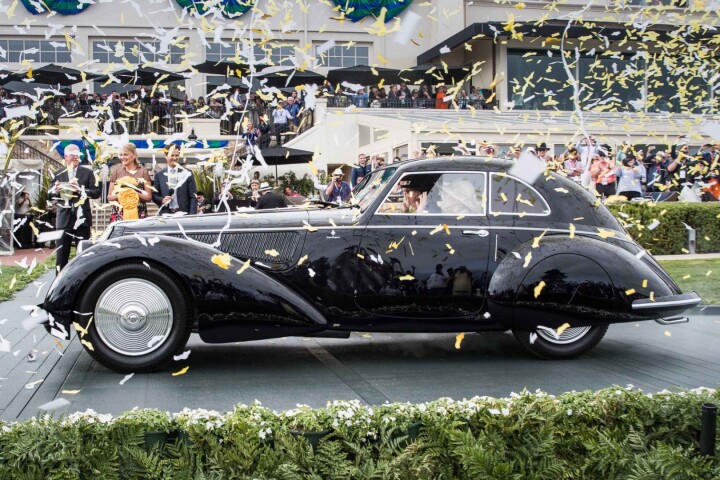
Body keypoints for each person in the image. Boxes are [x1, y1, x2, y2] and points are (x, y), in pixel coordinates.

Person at [50, 144, 100, 271]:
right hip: (64, 219)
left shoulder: (88, 173)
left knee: (84, 255)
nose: (75, 157)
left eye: (77, 155)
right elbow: (49, 195)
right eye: (72, 154)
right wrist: (55, 190)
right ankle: (59, 286)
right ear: (65, 157)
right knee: (61, 256)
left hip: (82, 219)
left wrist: (81, 190)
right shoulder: (57, 174)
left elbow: (96, 192)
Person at [107, 143, 153, 222]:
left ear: (134, 155)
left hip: (138, 213)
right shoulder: (116, 173)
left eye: (125, 154)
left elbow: (148, 197)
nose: (122, 157)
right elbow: (110, 197)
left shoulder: (143, 172)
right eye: (121, 155)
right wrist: (123, 194)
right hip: (119, 214)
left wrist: (133, 193)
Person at [152, 146, 198, 215]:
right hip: (166, 214)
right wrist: (162, 200)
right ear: (165, 156)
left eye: (177, 155)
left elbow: (193, 196)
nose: (174, 158)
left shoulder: (187, 173)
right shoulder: (159, 175)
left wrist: (192, 215)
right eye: (172, 155)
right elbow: (154, 195)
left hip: (184, 214)